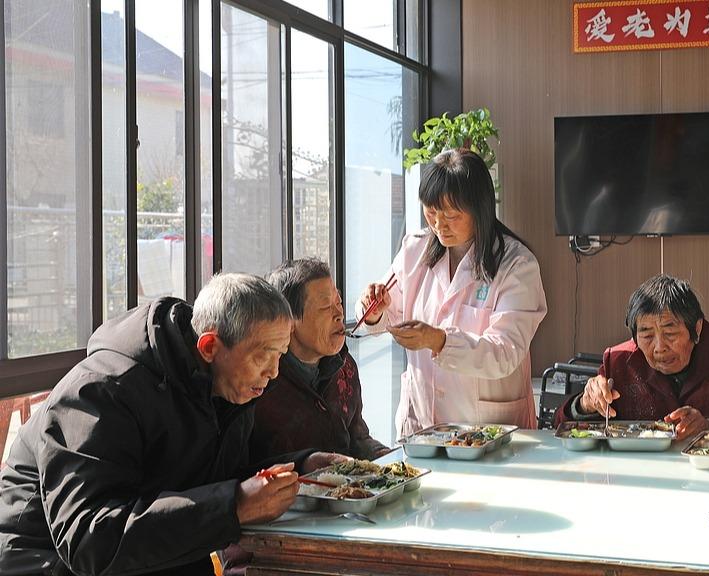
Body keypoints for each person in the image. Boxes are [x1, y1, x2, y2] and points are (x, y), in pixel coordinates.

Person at [0, 274, 347, 576]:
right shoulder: (101, 392)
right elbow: (89, 541)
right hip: (47, 563)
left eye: (280, 356)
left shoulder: (223, 387)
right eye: (263, 356)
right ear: (209, 346)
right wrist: (233, 506)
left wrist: (302, 466)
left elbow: (215, 480)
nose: (273, 373)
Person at [358, 149, 547, 437]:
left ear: (480, 210)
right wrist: (374, 310)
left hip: (492, 429)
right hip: (423, 423)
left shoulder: (517, 265)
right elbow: (384, 313)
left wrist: (439, 340)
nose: (438, 225)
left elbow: (504, 353)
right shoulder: (414, 249)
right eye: (431, 212)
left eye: (451, 215)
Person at [554, 274, 709, 437]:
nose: (659, 347)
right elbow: (560, 427)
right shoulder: (619, 360)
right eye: (647, 335)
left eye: (670, 333)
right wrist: (584, 405)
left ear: (697, 328)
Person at [253, 258, 389, 460]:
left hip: (343, 479)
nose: (339, 314)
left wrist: (388, 457)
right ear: (289, 320)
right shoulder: (261, 379)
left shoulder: (345, 366)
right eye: (326, 306)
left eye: (339, 302)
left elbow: (357, 438)